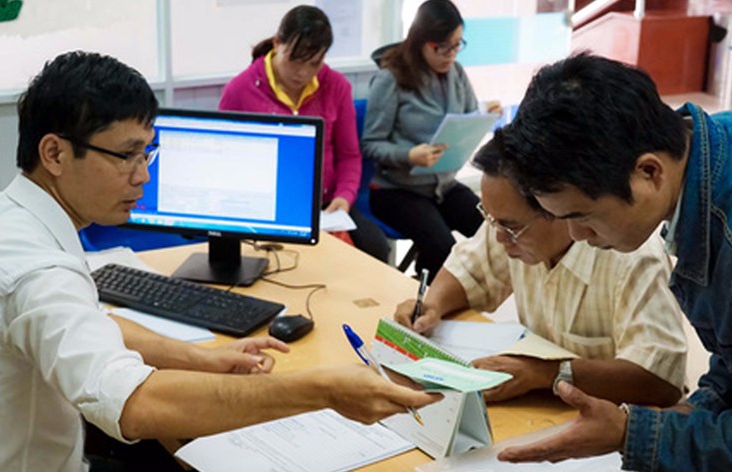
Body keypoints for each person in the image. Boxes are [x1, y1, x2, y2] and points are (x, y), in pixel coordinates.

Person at [0, 51, 438, 472]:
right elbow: (136, 405)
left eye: (148, 152)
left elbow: (82, 324)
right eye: (127, 155)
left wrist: (199, 358)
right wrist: (324, 390)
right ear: (54, 153)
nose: (143, 175)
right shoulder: (39, 273)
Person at [493, 52, 732, 472]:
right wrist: (687, 418)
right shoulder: (714, 148)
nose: (576, 235)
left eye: (584, 215)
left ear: (648, 172)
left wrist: (632, 434)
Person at [393, 136, 686, 406]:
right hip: (545, 410)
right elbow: (470, 272)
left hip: (615, 428)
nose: (498, 237)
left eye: (510, 227)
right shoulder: (511, 227)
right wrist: (433, 304)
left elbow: (661, 381)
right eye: (490, 219)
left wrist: (546, 374)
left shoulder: (633, 257)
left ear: (557, 208)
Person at [218, 5, 390, 263]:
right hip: (266, 207)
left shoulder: (336, 87)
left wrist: (344, 197)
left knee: (375, 248)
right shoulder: (241, 89)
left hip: (325, 207)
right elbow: (226, 159)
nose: (303, 72)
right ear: (277, 44)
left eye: (314, 63)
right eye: (294, 60)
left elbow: (349, 155)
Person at [361, 0, 502, 281]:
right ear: (421, 42)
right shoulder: (391, 78)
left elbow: (467, 118)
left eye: (457, 44)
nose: (451, 55)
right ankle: (422, 298)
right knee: (442, 248)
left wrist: (485, 114)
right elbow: (371, 144)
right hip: (397, 190)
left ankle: (450, 295)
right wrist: (409, 155)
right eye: (442, 47)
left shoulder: (456, 73)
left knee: (493, 230)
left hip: (443, 185)